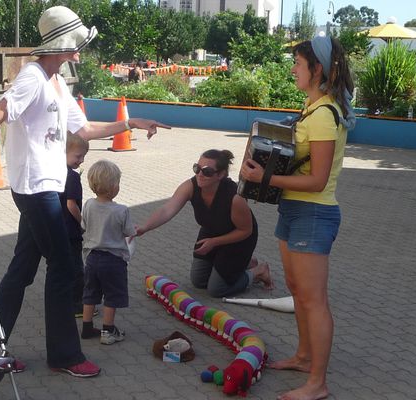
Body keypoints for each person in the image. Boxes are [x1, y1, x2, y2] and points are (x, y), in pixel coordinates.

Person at [0, 6, 169, 378]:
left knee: (22, 269)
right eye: (75, 45)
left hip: (45, 187)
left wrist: (129, 121)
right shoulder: (33, 78)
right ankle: (64, 355)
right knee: (65, 268)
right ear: (60, 46)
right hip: (36, 189)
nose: (79, 51)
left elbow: (83, 131)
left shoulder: (56, 81)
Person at [240, 36, 355, 400]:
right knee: (297, 289)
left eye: (298, 64)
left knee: (313, 299)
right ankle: (304, 357)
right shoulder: (313, 107)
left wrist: (266, 178)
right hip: (294, 208)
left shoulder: (323, 115)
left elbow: (318, 179)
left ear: (316, 69)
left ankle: (317, 384)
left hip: (314, 211)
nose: (292, 69)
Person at [136, 149, 273, 298]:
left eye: (207, 171)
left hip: (238, 239)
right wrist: (145, 227)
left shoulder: (235, 198)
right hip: (211, 232)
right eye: (197, 168)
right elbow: (166, 209)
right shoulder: (190, 186)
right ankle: (245, 263)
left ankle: (258, 271)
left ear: (221, 174)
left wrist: (214, 242)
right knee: (199, 281)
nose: (200, 174)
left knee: (217, 289)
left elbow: (245, 231)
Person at [80, 160, 136, 345]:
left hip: (92, 258)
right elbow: (129, 232)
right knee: (112, 295)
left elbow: (84, 226)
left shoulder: (88, 205)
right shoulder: (121, 210)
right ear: (113, 187)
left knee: (90, 292)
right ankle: (108, 330)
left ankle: (87, 327)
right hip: (113, 260)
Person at [59, 134, 90, 318]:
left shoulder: (54, 171)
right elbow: (72, 204)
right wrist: (82, 222)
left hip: (57, 226)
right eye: (78, 156)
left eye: (83, 156)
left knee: (62, 266)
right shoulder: (72, 177)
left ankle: (61, 300)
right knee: (77, 268)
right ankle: (77, 305)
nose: (81, 160)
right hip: (71, 230)